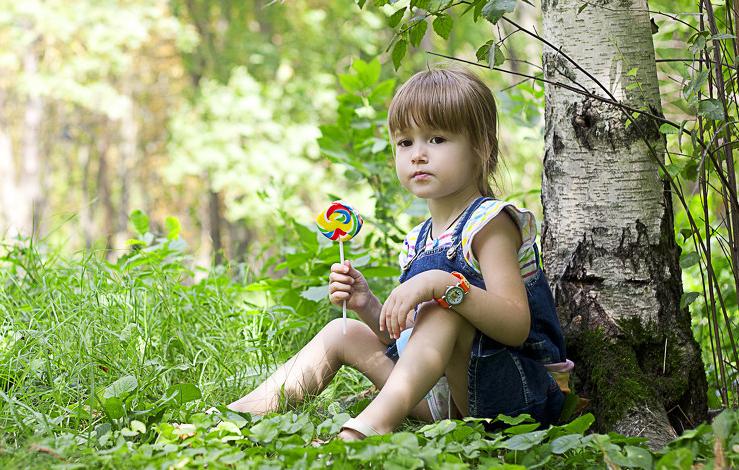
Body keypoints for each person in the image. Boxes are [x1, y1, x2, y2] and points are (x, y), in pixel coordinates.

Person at [228, 67, 571, 440]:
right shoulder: (419, 240)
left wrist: (444, 285)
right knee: (341, 332)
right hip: (444, 397)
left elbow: (516, 326)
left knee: (444, 307)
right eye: (405, 142)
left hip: (514, 396)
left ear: (480, 147)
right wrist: (368, 305)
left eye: (437, 139)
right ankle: (237, 418)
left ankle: (367, 430)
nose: (418, 155)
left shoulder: (489, 224)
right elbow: (410, 338)